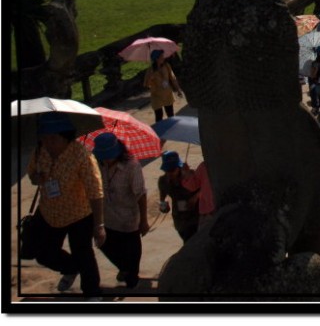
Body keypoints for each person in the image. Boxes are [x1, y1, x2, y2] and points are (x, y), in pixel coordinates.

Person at [26, 112, 105, 299]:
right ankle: (70, 268)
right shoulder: (40, 151)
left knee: (83, 253)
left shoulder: (81, 156)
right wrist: (37, 178)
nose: (48, 143)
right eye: (44, 138)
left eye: (53, 139)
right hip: (49, 212)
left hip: (79, 213)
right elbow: (32, 175)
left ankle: (93, 293)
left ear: (65, 137)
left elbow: (95, 192)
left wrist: (99, 225)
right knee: (43, 253)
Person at [91, 133, 148, 290]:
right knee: (104, 244)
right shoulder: (98, 164)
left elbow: (141, 194)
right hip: (107, 216)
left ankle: (132, 276)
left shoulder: (132, 166)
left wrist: (144, 220)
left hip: (128, 219)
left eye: (109, 157)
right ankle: (125, 269)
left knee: (132, 253)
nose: (106, 160)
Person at [157, 151, 199, 243]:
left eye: (173, 170)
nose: (170, 173)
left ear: (178, 167)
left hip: (196, 217)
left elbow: (204, 188)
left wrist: (195, 198)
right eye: (167, 171)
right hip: (180, 220)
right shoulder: (163, 182)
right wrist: (164, 207)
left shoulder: (190, 175)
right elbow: (162, 200)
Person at [143, 49, 181, 123]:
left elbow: (173, 78)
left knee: (170, 114)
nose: (163, 57)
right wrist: (150, 78)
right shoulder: (150, 70)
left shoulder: (166, 66)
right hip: (156, 96)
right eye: (161, 56)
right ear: (156, 58)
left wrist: (178, 89)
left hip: (167, 94)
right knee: (159, 116)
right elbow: (147, 84)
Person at [180, 160, 215, 227]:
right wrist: (186, 173)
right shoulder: (204, 165)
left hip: (219, 209)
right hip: (207, 212)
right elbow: (193, 185)